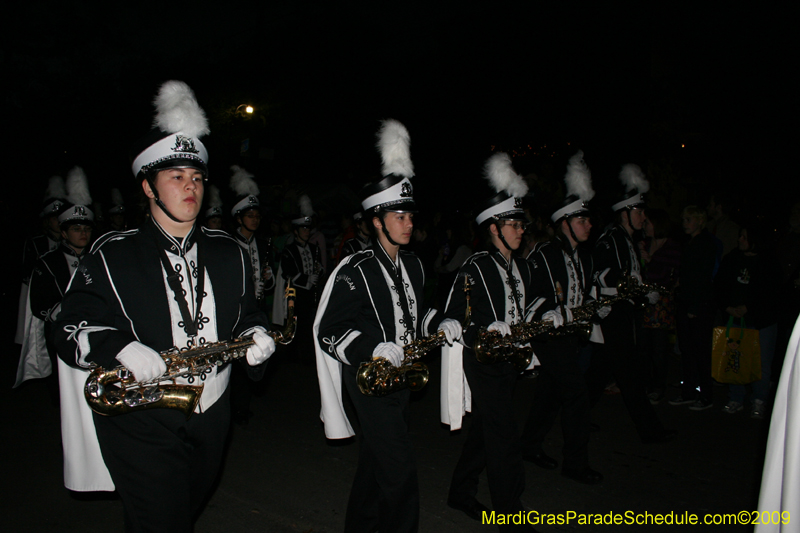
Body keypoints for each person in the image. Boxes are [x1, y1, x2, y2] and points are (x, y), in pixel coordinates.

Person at [55, 81, 275, 532]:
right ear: (148, 187)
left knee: (173, 515)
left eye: (196, 177)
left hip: (213, 411)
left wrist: (256, 334)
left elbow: (246, 314)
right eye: (176, 176)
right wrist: (117, 346)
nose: (190, 186)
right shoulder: (113, 252)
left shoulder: (229, 251)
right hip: (142, 417)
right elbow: (66, 325)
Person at [314, 119, 461, 533]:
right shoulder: (355, 268)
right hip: (369, 379)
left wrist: (442, 321)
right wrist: (373, 348)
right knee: (399, 471)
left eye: (410, 215)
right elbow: (330, 330)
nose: (409, 222)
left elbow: (417, 314)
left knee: (375, 463)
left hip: (403, 378)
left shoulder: (413, 264)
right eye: (399, 216)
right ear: (377, 220)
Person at [440, 152, 537, 530]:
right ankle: (510, 510)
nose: (520, 229)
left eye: (521, 223)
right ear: (494, 228)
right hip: (483, 363)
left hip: (509, 362)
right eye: (513, 224)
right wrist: (484, 331)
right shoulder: (476, 266)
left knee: (485, 430)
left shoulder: (521, 265)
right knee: (505, 435)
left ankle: (460, 491)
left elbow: (529, 306)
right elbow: (453, 317)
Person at [521, 151, 603, 485]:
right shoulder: (545, 254)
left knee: (550, 394)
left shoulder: (586, 257)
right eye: (582, 221)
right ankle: (575, 463)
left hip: (571, 337)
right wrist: (550, 311)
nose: (589, 225)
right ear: (565, 222)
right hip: (549, 337)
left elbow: (587, 291)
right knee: (576, 395)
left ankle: (529, 445)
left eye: (588, 220)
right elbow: (528, 297)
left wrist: (597, 304)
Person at [588, 164, 675, 443]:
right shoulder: (612, 237)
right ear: (624, 213)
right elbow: (599, 274)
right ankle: (650, 431)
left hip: (624, 313)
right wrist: (632, 288)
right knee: (629, 374)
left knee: (599, 374)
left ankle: (576, 417)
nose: (643, 216)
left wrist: (643, 292)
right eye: (638, 211)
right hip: (613, 314)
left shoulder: (627, 239)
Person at [26, 166, 95, 398]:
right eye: (76, 229)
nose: (83, 233)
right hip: (61, 333)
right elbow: (39, 304)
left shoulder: (99, 259)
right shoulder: (48, 262)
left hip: (95, 331)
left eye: (86, 228)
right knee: (64, 392)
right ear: (64, 233)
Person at [714, 222, 780, 418]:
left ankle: (759, 400)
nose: (740, 240)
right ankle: (736, 398)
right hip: (734, 320)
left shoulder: (769, 262)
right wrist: (727, 307)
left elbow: (772, 293)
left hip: (761, 322)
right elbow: (720, 286)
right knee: (734, 359)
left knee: (761, 363)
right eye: (740, 236)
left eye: (744, 237)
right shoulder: (732, 258)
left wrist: (749, 308)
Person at [668, 206, 718, 410]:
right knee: (687, 350)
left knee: (700, 351)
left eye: (689, 219)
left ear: (700, 221)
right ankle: (688, 391)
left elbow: (703, 278)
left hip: (698, 305)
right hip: (686, 301)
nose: (685, 223)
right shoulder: (690, 243)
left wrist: (695, 306)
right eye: (683, 220)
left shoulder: (705, 244)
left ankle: (706, 395)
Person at [274, 195, 324, 362]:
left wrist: (319, 272)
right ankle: (294, 357)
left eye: (308, 229)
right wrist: (308, 279)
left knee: (311, 325)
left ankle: (309, 355)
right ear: (296, 231)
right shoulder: (289, 250)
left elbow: (320, 268)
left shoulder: (314, 248)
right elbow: (288, 273)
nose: (306, 231)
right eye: (303, 229)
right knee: (296, 327)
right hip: (296, 295)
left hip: (311, 295)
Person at [638, 208, 680, 403]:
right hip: (643, 303)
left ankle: (658, 386)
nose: (644, 225)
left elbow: (667, 276)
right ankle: (644, 384)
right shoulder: (644, 244)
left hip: (661, 306)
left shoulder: (671, 247)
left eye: (647, 222)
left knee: (659, 349)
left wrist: (650, 260)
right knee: (643, 347)